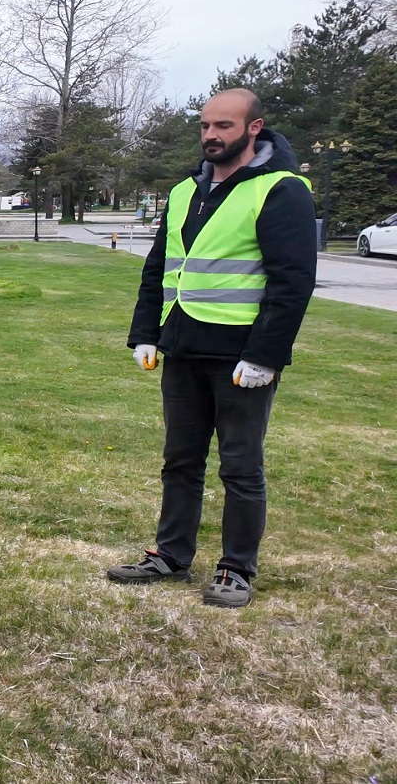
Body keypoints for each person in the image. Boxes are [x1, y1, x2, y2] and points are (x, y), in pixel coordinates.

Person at [107, 89, 316, 609]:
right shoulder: (186, 191)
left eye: (223, 125)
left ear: (253, 127)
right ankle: (171, 555)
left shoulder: (280, 190)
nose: (210, 135)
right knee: (180, 459)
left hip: (240, 356)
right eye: (204, 126)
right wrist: (146, 333)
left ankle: (235, 568)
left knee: (240, 466)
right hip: (182, 346)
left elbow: (292, 283)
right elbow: (159, 268)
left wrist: (265, 356)